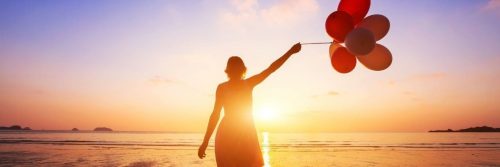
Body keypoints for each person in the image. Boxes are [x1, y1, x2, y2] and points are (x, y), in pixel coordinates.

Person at [198, 43, 302, 167]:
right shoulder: (235, 86)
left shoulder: (236, 85)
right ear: (239, 70)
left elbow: (271, 69)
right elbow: (215, 115)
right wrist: (205, 142)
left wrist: (290, 52)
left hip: (240, 133)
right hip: (236, 133)